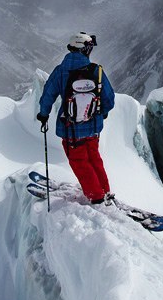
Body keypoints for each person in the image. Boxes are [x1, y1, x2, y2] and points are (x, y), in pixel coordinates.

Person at [37, 31, 116, 204]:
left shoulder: (60, 71)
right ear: (86, 50)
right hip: (93, 127)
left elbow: (48, 95)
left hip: (70, 129)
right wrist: (100, 113)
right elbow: (109, 100)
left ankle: (96, 197)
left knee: (80, 162)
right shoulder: (97, 71)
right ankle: (104, 190)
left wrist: (43, 115)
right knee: (94, 159)